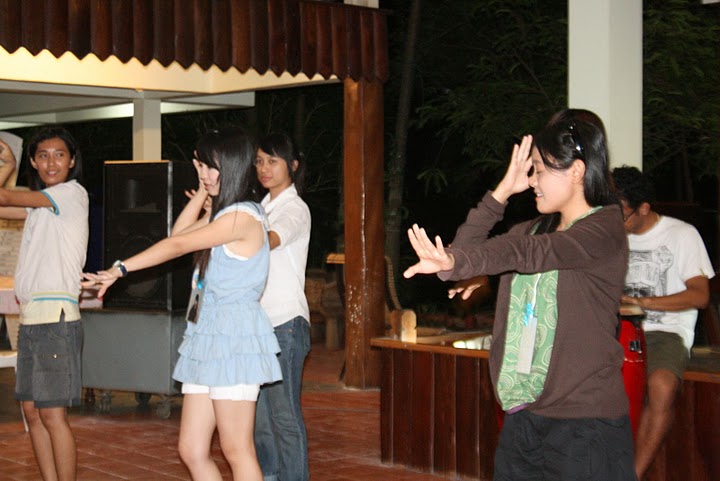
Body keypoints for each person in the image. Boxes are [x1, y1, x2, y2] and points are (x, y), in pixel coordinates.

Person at [404, 109, 637, 480]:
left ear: (576, 171)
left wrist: (456, 262)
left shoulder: (603, 228)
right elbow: (468, 249)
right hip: (525, 417)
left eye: (540, 171)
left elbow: (529, 254)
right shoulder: (532, 229)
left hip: (585, 424)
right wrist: (500, 194)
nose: (532, 182)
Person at [83, 127, 282, 481]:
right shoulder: (223, 213)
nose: (203, 174)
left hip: (234, 337)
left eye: (210, 166)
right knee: (191, 450)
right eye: (199, 166)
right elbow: (178, 235)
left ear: (233, 166)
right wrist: (205, 190)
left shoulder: (242, 217)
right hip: (208, 333)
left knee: (237, 449)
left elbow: (176, 247)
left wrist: (120, 269)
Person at [612, 166, 714, 480]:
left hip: (664, 331)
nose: (615, 221)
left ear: (644, 208)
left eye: (622, 214)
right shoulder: (610, 236)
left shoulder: (681, 234)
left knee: (662, 384)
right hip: (615, 330)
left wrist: (642, 303)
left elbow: (700, 296)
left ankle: (633, 475)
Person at [0, 126, 88, 481]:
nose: (51, 163)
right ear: (34, 163)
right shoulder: (40, 207)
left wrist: (7, 165)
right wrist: (8, 168)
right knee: (33, 413)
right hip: (32, 319)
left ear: (72, 161)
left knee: (52, 415)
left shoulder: (70, 194)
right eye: (43, 156)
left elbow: (3, 198)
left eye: (59, 155)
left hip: (56, 320)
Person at [253, 133, 312, 481]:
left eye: (272, 161)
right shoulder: (260, 208)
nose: (264, 168)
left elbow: (270, 240)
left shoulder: (295, 209)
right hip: (257, 326)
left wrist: (227, 230)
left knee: (284, 417)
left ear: (292, 165)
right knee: (260, 419)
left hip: (285, 324)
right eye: (260, 161)